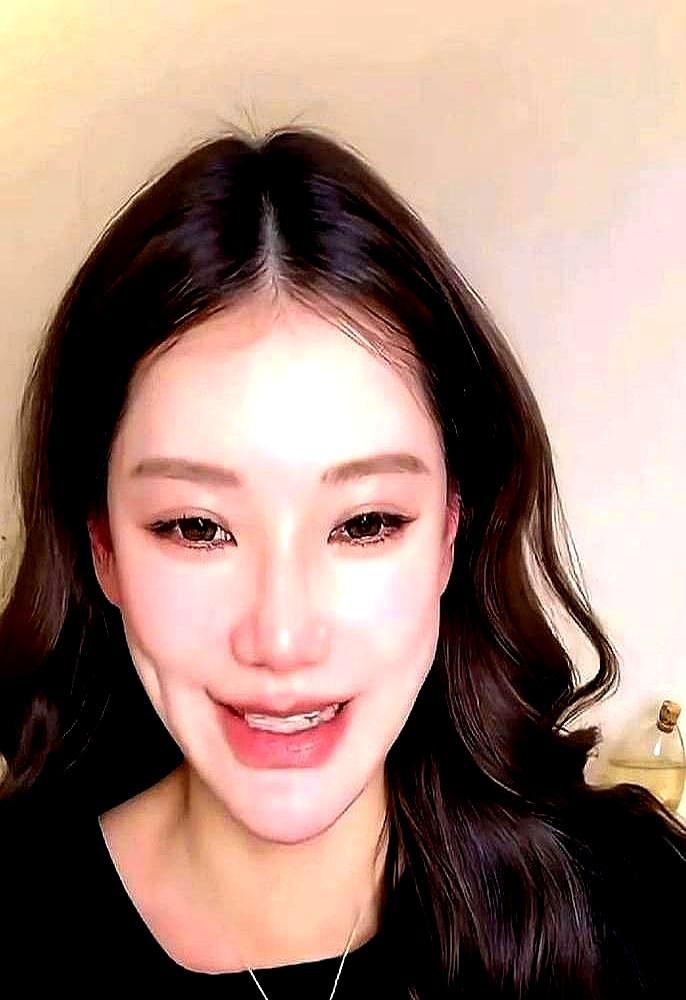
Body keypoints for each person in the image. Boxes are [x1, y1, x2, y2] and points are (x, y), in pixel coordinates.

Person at [0, 123, 684, 998]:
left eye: (365, 523)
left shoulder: (631, 913)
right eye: (197, 528)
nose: (282, 639)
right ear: (102, 548)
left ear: (449, 534)